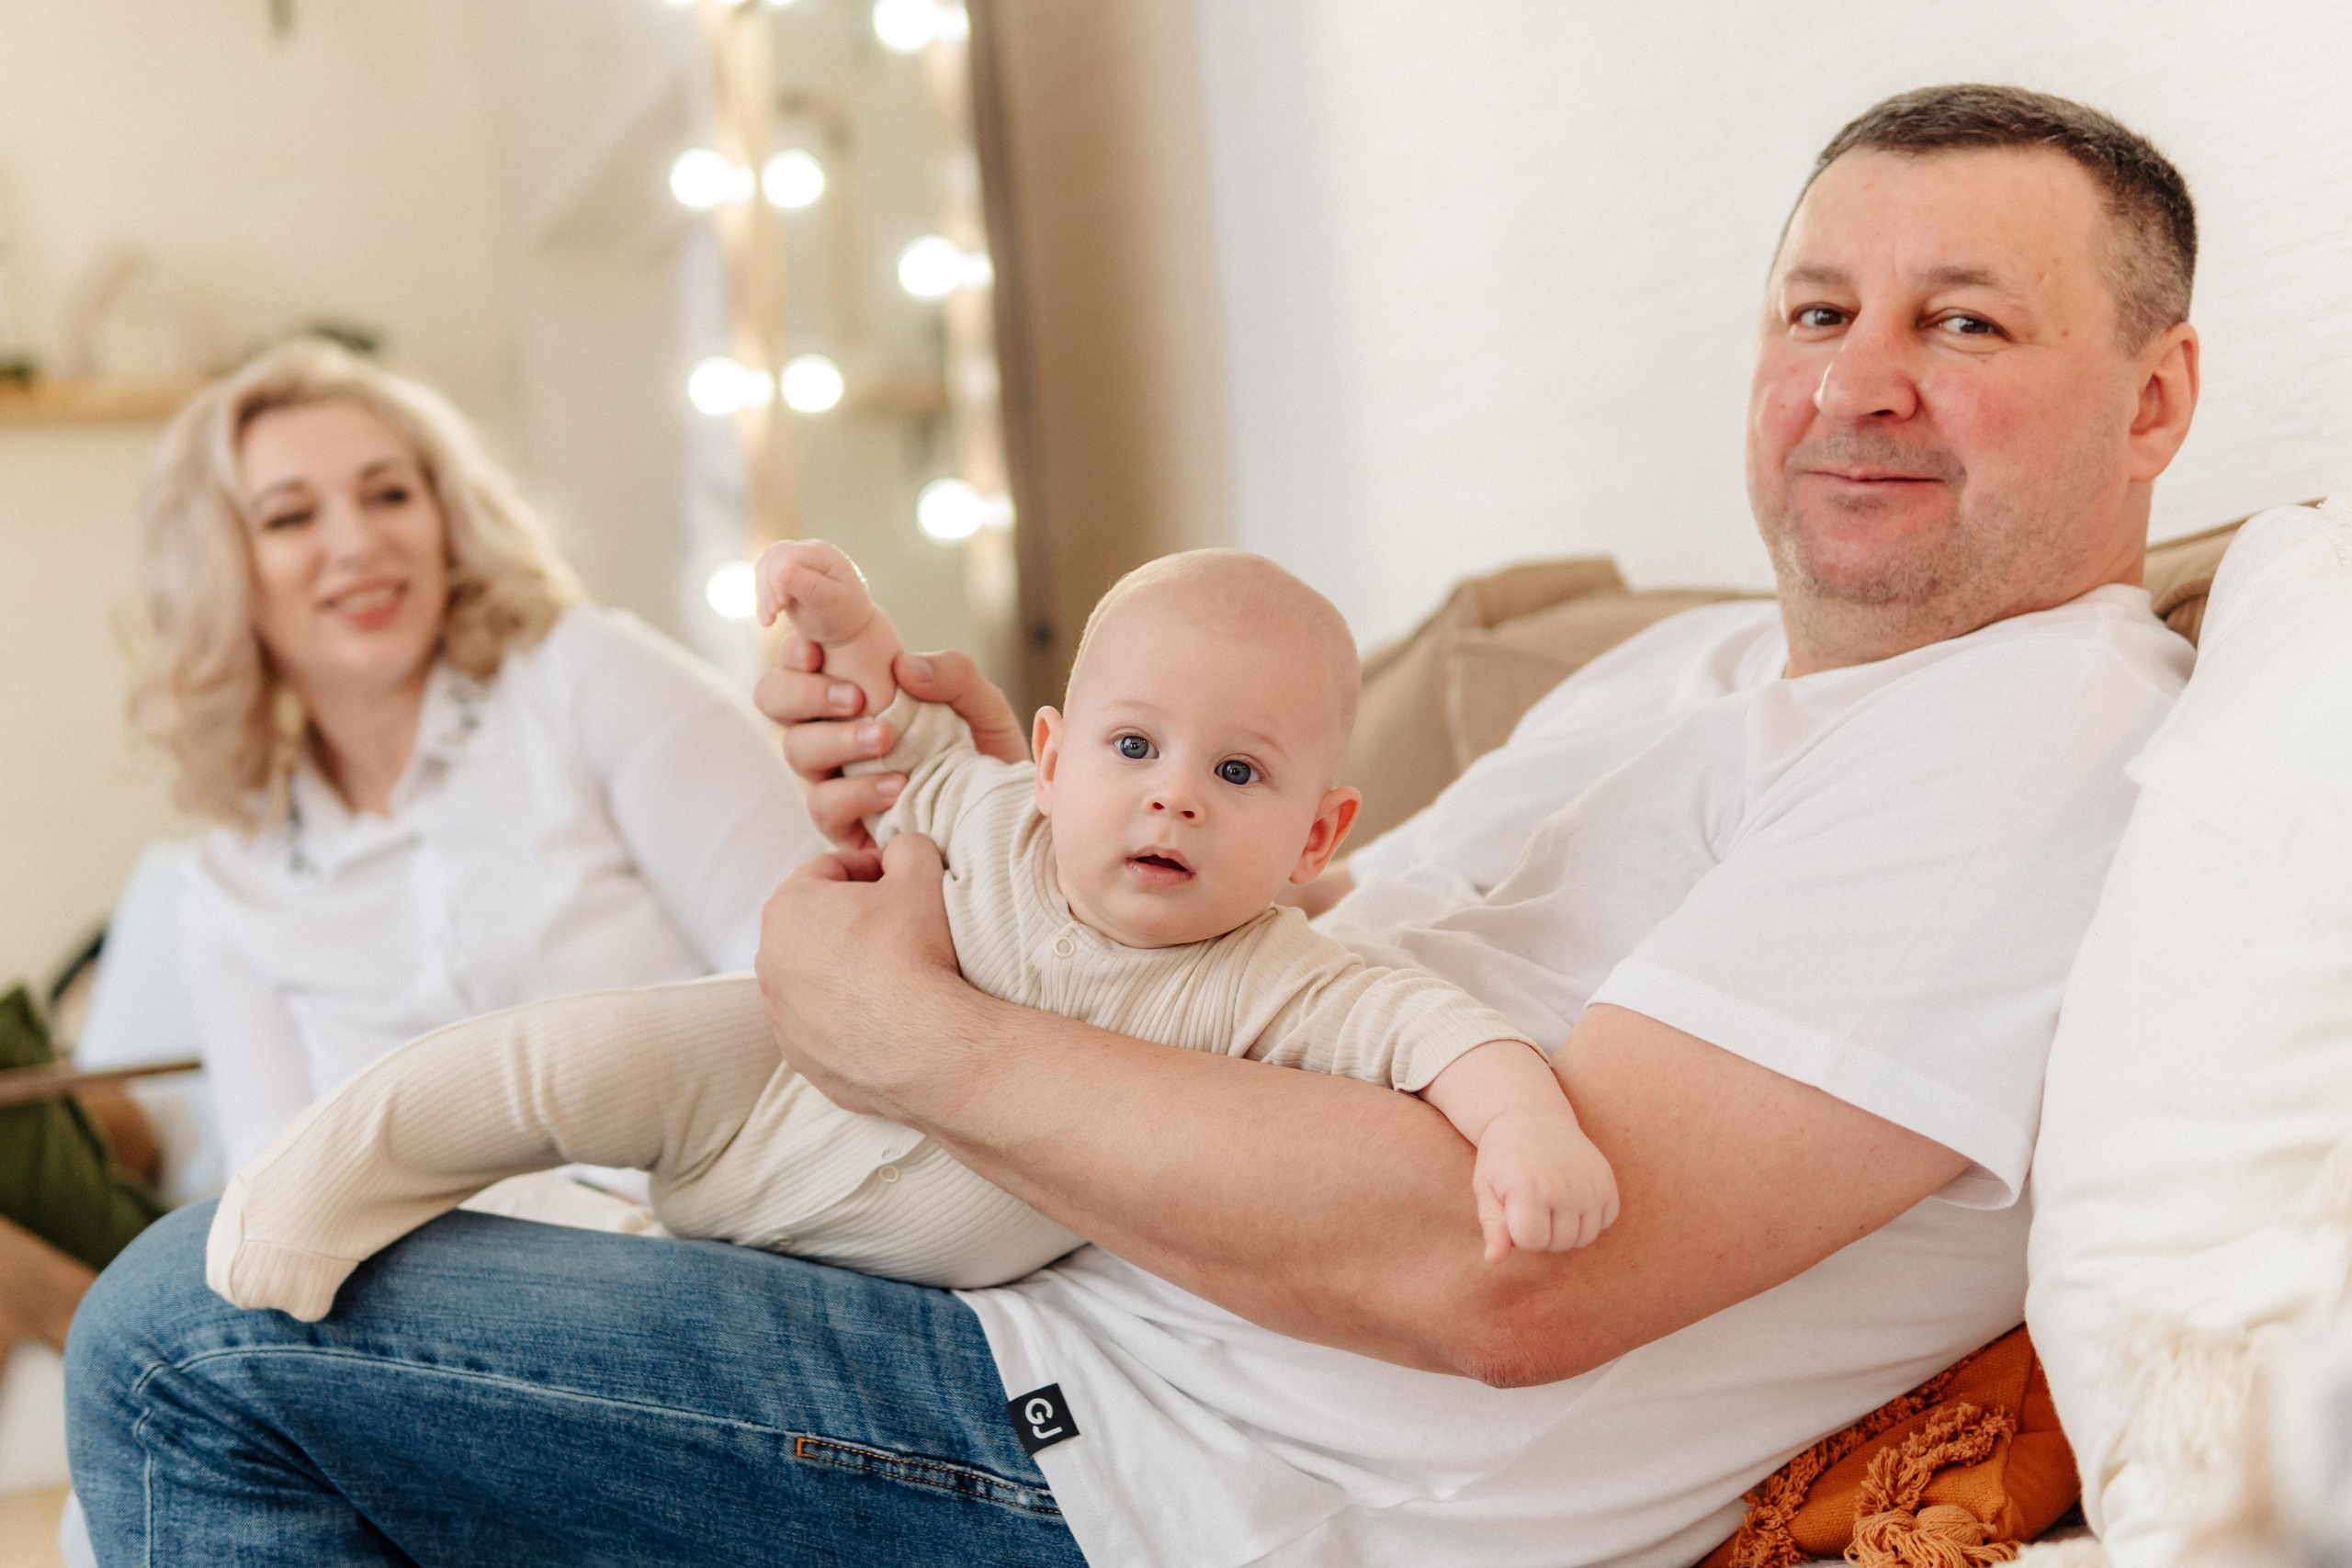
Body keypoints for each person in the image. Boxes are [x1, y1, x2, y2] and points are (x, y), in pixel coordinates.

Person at [68, 83, 2204, 1567]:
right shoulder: (1690, 675)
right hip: (1043, 1316)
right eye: (1817, 310)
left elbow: (1513, 1275)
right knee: (274, 1296)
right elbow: (1282, 959)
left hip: (1173, 1473)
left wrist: (917, 1032)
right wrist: (1035, 833)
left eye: (1962, 322)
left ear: (2151, 401)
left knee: (190, 1343)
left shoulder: (2028, 737)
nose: (1855, 378)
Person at [202, 546, 1611, 1324]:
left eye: (1239, 774)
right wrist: (842, 614)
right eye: (1134, 743)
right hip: (764, 1075)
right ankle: (322, 1177)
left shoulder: (1281, 980)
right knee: (572, 1055)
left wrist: (1529, 1133)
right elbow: (891, 721)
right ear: (1052, 757)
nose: (1174, 790)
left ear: (1318, 833)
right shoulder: (991, 809)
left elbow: (1447, 1035)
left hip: (891, 1276)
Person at [120, 338, 823, 1177]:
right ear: (222, 573)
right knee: (192, 1262)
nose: (356, 543)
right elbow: (271, 1186)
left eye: (389, 494)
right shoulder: (229, 886)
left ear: (445, 518)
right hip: (431, 1292)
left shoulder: (586, 675)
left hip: (714, 1219)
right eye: (290, 516)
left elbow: (814, 974)